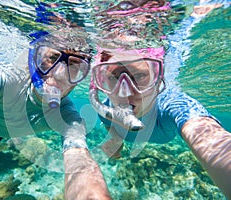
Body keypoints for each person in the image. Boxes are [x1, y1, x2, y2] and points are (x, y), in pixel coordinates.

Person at [0, 26, 113, 199]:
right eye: (52, 58)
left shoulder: (68, 116)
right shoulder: (1, 77)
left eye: (74, 66)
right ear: (33, 59)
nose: (59, 74)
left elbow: (79, 161)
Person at [89, 0, 231, 199]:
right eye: (113, 77)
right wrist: (115, 142)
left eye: (139, 76)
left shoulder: (173, 105)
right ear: (98, 81)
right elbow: (109, 126)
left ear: (159, 81)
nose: (124, 92)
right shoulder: (104, 108)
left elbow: (207, 135)